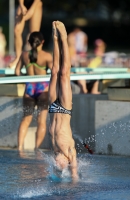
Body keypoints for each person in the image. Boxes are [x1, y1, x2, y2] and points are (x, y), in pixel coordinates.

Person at [49, 21, 78, 180]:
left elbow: (54, 175)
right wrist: (74, 182)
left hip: (53, 108)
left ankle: (54, 39)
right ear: (66, 163)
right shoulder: (70, 152)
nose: (55, 163)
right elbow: (75, 177)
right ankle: (64, 38)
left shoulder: (54, 150)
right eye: (58, 165)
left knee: (54, 72)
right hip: (65, 108)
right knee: (64, 73)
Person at [15, 31, 53, 150]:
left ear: (29, 42)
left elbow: (17, 72)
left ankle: (20, 147)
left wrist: (25, 77)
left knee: (26, 119)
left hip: (29, 89)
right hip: (43, 89)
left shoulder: (24, 55)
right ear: (42, 42)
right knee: (41, 121)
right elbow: (54, 73)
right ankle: (37, 149)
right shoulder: (47, 56)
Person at [10, 0, 43, 69]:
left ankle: (36, 58)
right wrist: (22, 5)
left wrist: (32, 9)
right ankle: (18, 58)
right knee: (17, 30)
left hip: (36, 3)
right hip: (24, 3)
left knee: (34, 33)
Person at [68, 27, 88, 94]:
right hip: (69, 72)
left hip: (73, 70)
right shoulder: (69, 50)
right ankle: (84, 93)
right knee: (81, 75)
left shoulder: (74, 50)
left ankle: (84, 92)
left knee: (81, 74)